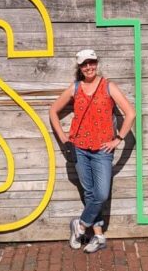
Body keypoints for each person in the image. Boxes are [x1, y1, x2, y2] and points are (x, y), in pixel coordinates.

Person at [49, 49, 135, 253]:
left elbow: (131, 113)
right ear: (79, 67)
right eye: (84, 64)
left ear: (96, 63)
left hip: (102, 150)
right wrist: (63, 138)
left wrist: (118, 139)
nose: (88, 67)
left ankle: (79, 225)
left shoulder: (108, 86)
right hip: (79, 148)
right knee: (89, 193)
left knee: (101, 193)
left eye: (92, 63)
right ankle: (98, 236)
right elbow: (53, 110)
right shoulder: (75, 88)